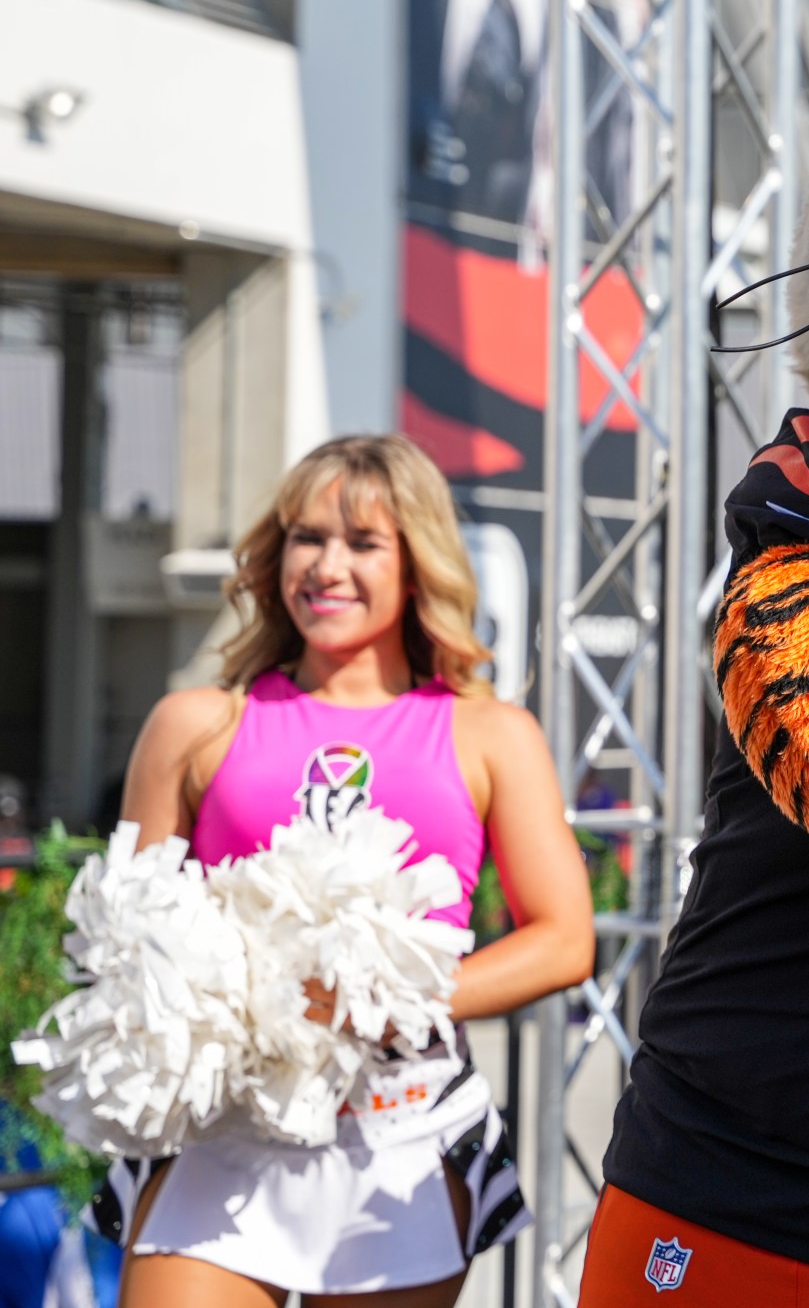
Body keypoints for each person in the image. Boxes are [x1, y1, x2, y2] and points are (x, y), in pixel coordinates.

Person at [108, 435, 594, 1308]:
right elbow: (129, 933)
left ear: (417, 565)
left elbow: (564, 940)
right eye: (306, 537)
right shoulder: (193, 723)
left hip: (400, 1133)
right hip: (225, 1131)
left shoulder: (491, 734)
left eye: (363, 543)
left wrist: (385, 993)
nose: (327, 566)